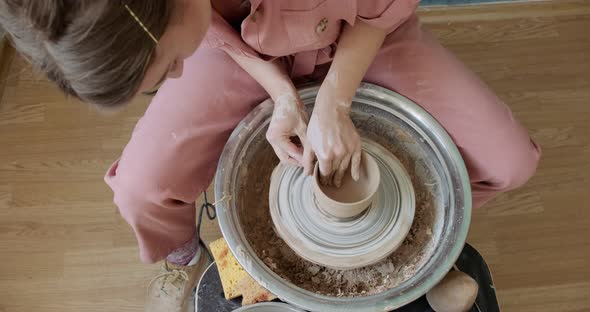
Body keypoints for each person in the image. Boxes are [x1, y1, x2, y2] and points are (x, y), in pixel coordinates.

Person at [0, 0, 541, 311]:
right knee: (142, 189)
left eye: (165, 65)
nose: (175, 78)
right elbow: (204, 29)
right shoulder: (169, 17)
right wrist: (280, 91)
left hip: (363, 33)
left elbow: (381, 11)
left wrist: (337, 97)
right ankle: (196, 264)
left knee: (511, 161)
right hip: (238, 51)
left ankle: (408, 260)